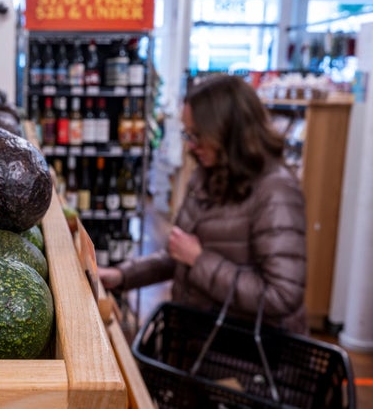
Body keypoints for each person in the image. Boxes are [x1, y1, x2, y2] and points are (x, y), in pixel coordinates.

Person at [99, 74, 308, 334]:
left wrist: (199, 259)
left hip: (246, 357)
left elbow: (282, 296)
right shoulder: (207, 175)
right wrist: (122, 276)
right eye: (188, 134)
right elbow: (179, 253)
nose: (191, 146)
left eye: (197, 135)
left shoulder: (275, 191)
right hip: (199, 339)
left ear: (228, 132)